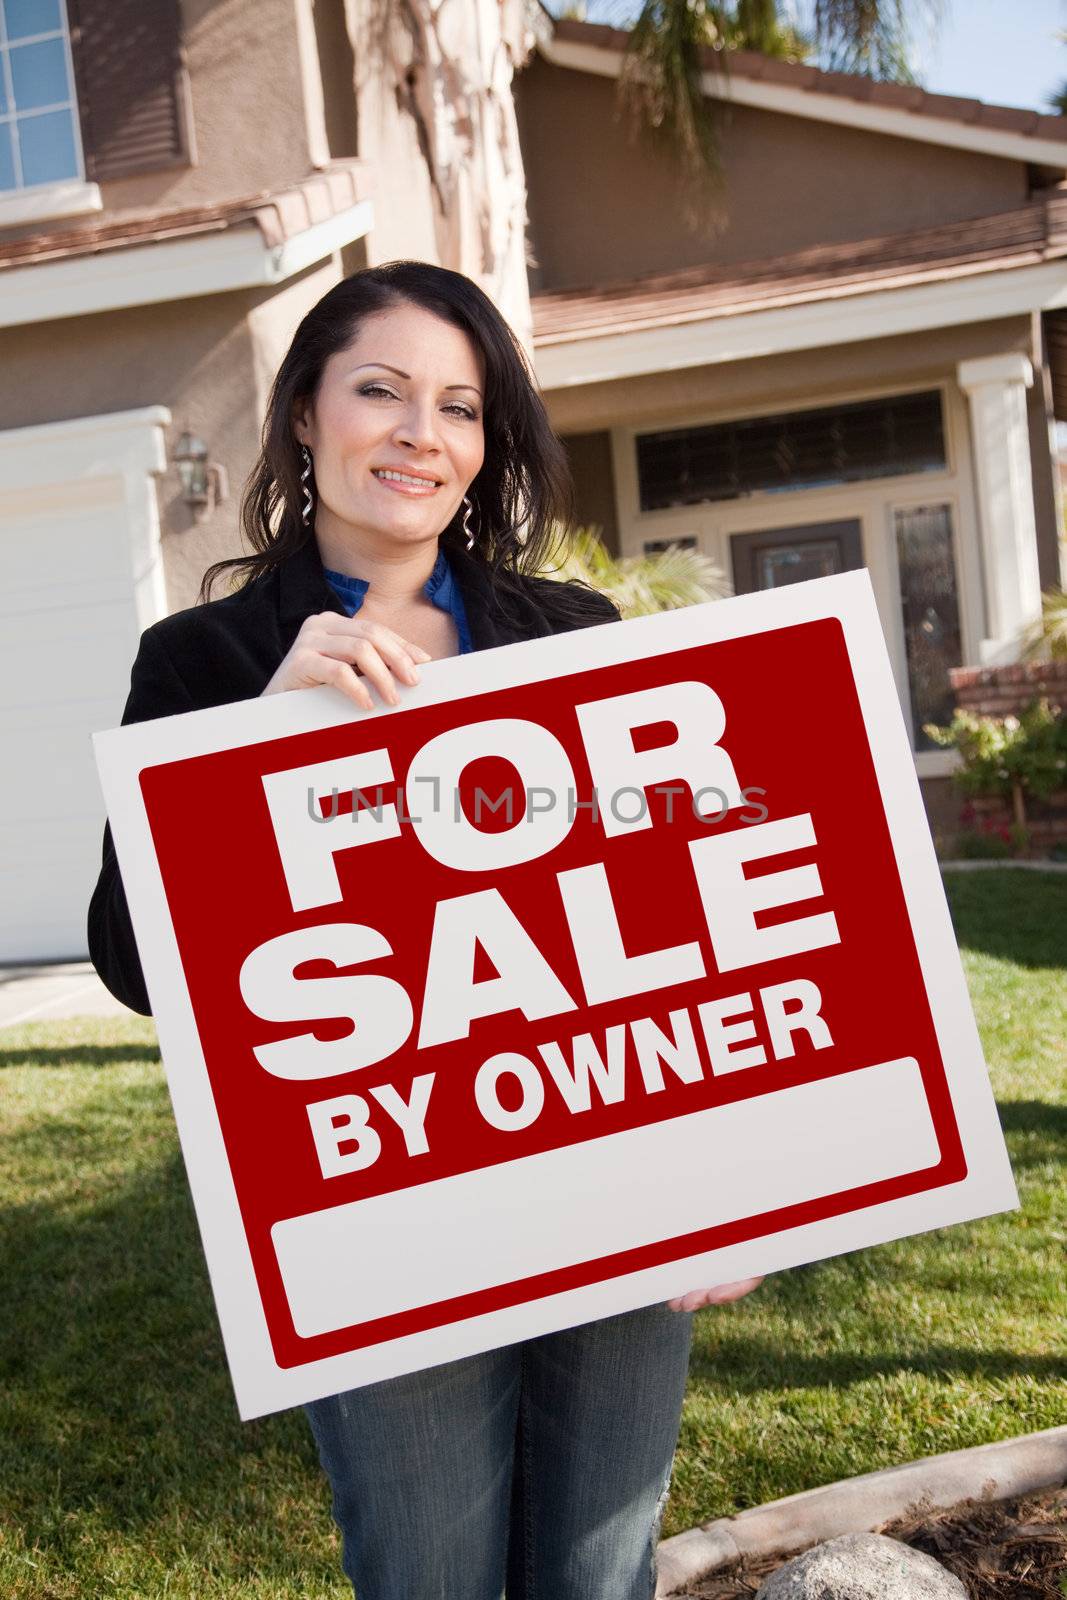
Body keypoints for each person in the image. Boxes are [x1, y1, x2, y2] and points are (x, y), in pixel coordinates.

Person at [87, 260, 762, 1600]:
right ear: (304, 418)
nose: (418, 432)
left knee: (597, 1574)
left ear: (484, 446)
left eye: (458, 407)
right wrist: (258, 745)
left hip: (606, 1173)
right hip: (379, 1210)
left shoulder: (572, 634)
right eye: (380, 390)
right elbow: (131, 960)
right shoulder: (203, 663)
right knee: (430, 1577)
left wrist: (726, 1181)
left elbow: (670, 917)